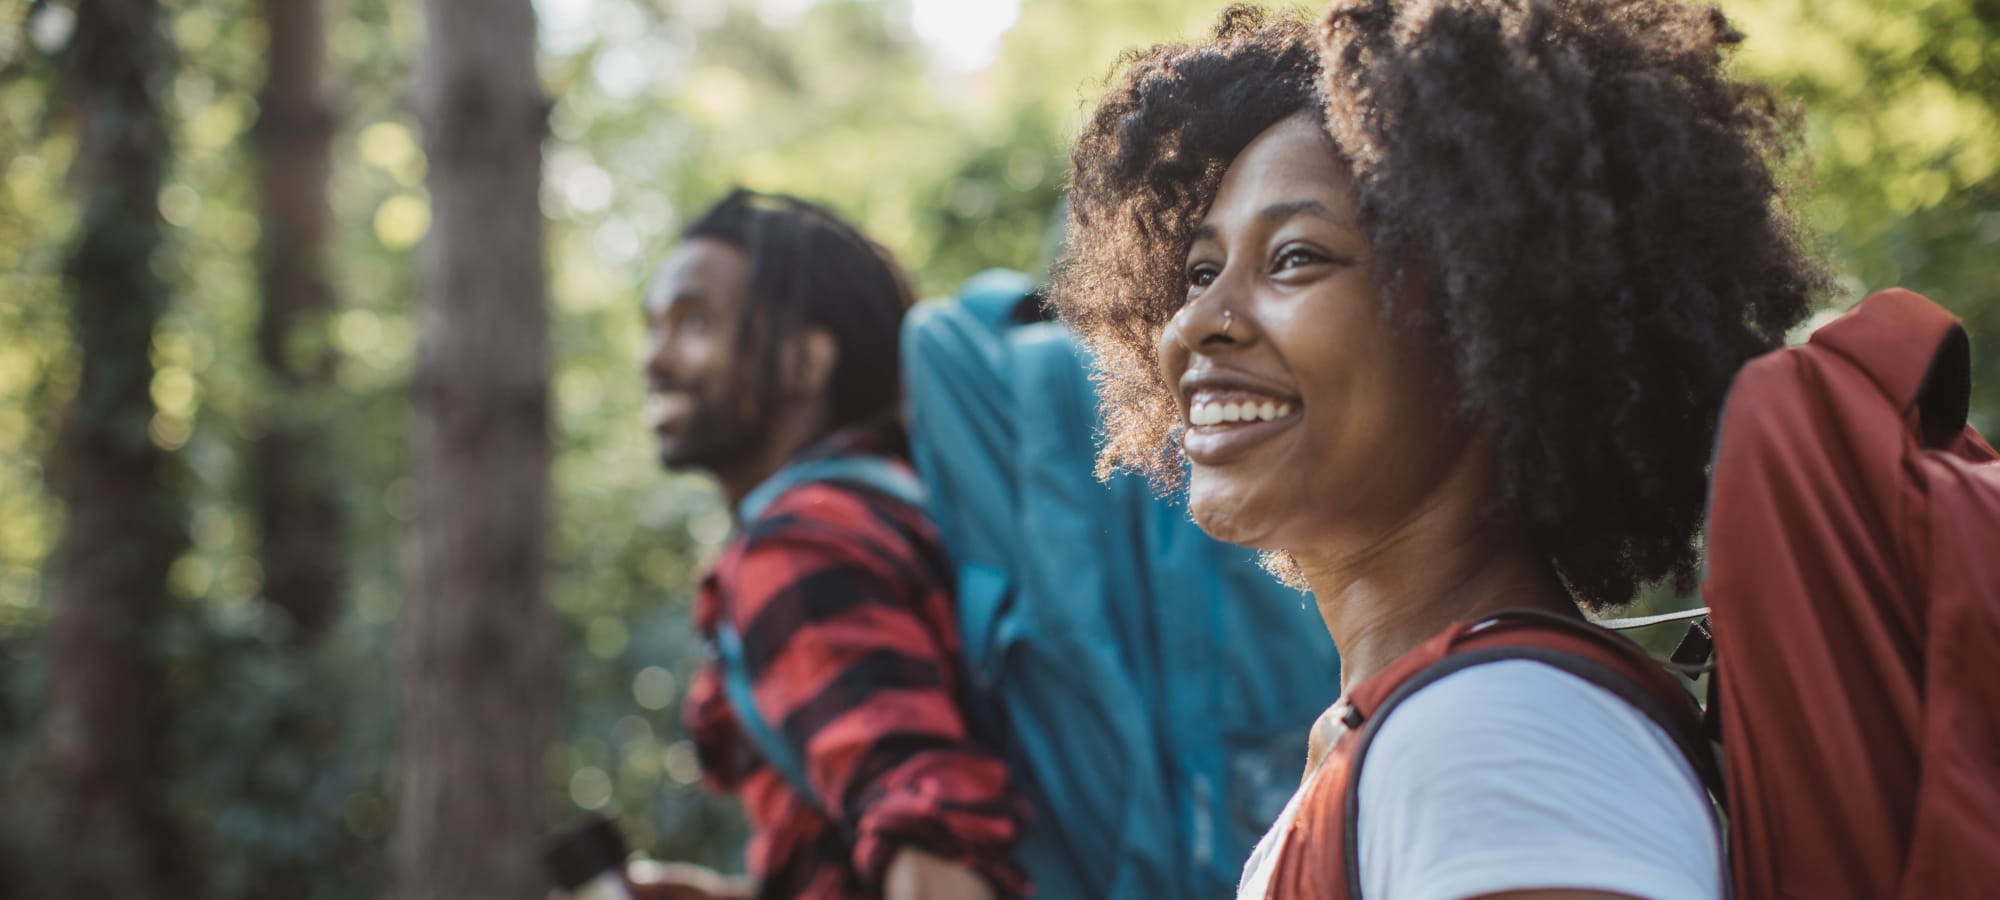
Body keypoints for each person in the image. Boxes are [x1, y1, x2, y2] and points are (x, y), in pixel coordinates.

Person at [1053, 4, 1823, 898]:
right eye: (1197, 271)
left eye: (1296, 257)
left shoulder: (1492, 738)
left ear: (1493, 325)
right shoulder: (1434, 723)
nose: (1196, 324)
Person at [634, 189, 1025, 900]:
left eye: (694, 322)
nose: (653, 359)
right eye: (653, 325)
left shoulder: (798, 545)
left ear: (805, 363)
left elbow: (927, 830)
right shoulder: (898, 506)